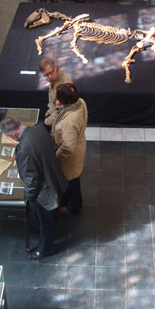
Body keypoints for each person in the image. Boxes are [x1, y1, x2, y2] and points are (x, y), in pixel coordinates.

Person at [0, 116, 68, 260]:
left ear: (13, 135)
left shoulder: (24, 150)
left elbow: (31, 179)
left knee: (44, 222)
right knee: (50, 219)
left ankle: (45, 249)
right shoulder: (39, 129)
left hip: (44, 193)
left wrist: (30, 197)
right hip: (55, 179)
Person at [51, 83, 88, 214]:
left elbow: (67, 148)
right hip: (78, 144)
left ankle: (74, 206)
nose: (57, 101)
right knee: (71, 180)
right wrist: (59, 109)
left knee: (72, 181)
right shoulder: (80, 102)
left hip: (70, 159)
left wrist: (55, 156)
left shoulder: (69, 122)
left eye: (59, 98)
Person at [39, 57, 72, 129]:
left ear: (56, 67)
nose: (50, 76)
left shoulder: (65, 85)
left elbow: (59, 109)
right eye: (46, 75)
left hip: (60, 123)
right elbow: (52, 102)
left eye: (51, 72)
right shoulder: (54, 80)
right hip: (53, 117)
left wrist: (48, 121)